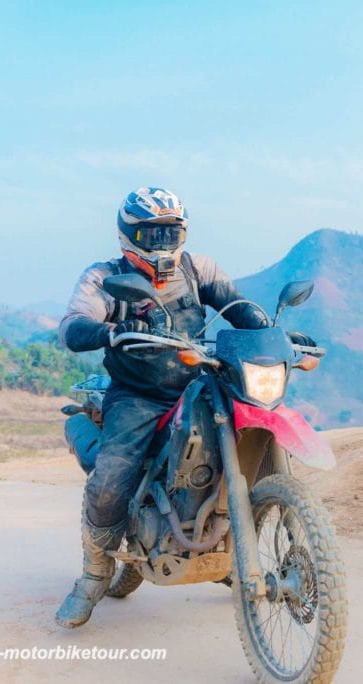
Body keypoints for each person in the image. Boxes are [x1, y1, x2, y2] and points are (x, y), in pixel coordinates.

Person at [55, 187, 309, 628]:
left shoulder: (199, 270)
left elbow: (239, 310)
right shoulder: (104, 277)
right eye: (151, 235)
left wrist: (276, 333)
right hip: (138, 395)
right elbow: (74, 326)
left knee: (250, 438)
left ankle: (232, 547)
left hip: (201, 381)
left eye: (169, 233)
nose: (162, 244)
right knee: (113, 475)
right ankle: (94, 574)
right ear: (129, 235)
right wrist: (109, 331)